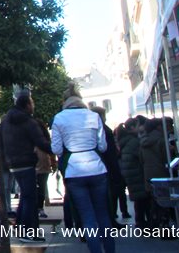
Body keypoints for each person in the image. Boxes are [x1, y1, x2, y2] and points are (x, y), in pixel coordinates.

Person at [51, 85, 114, 253]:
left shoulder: (59, 118)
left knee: (87, 217)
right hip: (97, 168)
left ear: (65, 102)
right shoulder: (94, 116)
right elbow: (103, 146)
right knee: (103, 214)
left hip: (74, 171)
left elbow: (56, 149)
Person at [0, 90, 52, 242]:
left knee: (26, 195)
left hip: (12, 164)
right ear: (28, 105)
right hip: (26, 162)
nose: (33, 106)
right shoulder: (28, 122)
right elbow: (40, 142)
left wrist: (5, 161)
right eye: (32, 103)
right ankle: (29, 231)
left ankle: (20, 227)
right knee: (30, 197)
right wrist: (57, 149)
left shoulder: (6, 122)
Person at [117, 118, 147, 226]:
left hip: (130, 172)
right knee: (141, 199)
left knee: (139, 200)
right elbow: (140, 156)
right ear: (132, 127)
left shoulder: (127, 140)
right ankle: (142, 223)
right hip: (136, 172)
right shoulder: (133, 141)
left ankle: (140, 221)